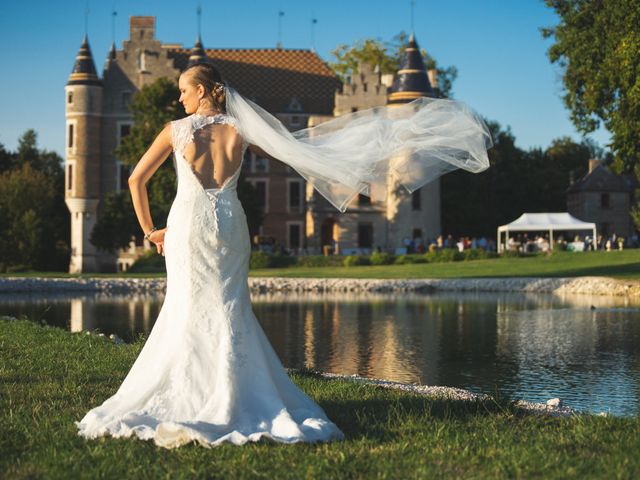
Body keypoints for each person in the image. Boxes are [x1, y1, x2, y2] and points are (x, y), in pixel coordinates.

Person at [76, 62, 492, 448]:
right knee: (229, 306)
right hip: (232, 224)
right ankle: (237, 393)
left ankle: (196, 392)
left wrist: (151, 231)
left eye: (183, 91)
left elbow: (136, 179)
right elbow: (295, 153)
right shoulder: (241, 130)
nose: (179, 99)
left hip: (188, 224)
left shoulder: (176, 130)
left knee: (186, 305)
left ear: (201, 91)